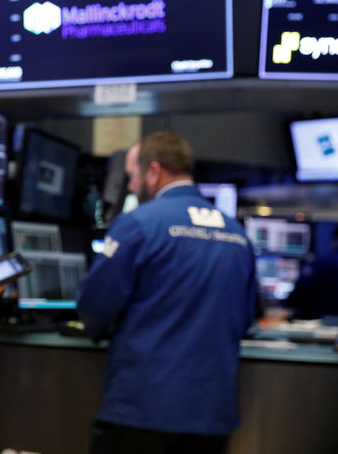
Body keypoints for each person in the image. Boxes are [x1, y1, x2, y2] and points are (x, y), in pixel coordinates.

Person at [77, 131, 257, 454]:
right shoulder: (237, 234)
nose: (131, 187)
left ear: (154, 171)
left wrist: (96, 329)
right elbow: (245, 319)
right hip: (211, 417)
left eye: (132, 176)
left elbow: (95, 306)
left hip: (143, 411)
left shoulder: (139, 223)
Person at [284, 227, 338, 319]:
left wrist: (283, 305)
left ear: (335, 240)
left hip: (320, 320)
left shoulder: (322, 262)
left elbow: (302, 290)